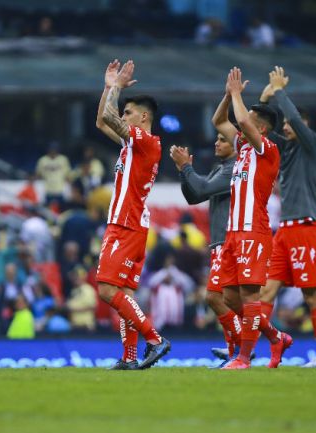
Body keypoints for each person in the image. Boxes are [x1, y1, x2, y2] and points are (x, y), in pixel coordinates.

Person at [95, 59, 170, 370]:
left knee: (106, 290)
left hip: (126, 224)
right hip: (130, 224)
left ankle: (155, 339)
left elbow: (110, 117)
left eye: (129, 113)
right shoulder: (132, 145)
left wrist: (116, 87)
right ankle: (129, 357)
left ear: (144, 116)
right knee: (123, 292)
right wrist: (107, 87)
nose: (123, 117)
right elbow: (102, 121)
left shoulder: (147, 142)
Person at [258, 66, 316, 367]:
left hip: (305, 227)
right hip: (284, 232)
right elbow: (259, 127)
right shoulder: (286, 151)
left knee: (311, 294)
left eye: (290, 123)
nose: (285, 128)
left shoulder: (315, 145)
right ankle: (264, 346)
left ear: (302, 124)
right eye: (285, 125)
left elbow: (294, 123)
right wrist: (264, 98)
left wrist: (279, 91)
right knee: (267, 291)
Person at [212, 67, 285, 370]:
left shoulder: (267, 149)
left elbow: (241, 120)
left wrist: (239, 95)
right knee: (229, 298)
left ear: (262, 129)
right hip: (233, 232)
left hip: (253, 231)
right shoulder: (243, 147)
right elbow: (219, 121)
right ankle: (275, 337)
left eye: (252, 122)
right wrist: (229, 96)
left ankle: (243, 358)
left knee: (249, 295)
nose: (245, 124)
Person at [170, 132, 248, 363]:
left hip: (227, 240)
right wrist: (184, 171)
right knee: (226, 299)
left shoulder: (233, 168)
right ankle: (236, 347)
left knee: (215, 298)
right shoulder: (221, 167)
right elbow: (194, 197)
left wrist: (186, 168)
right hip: (219, 240)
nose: (216, 143)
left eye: (223, 139)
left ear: (236, 144)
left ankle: (244, 344)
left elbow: (202, 189)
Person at [35, 142, 71, 210]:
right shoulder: (43, 160)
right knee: (47, 210)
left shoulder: (63, 159)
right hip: (47, 190)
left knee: (62, 209)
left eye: (54, 149)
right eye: (51, 149)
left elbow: (68, 175)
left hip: (60, 189)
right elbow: (38, 174)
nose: (53, 151)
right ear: (48, 150)